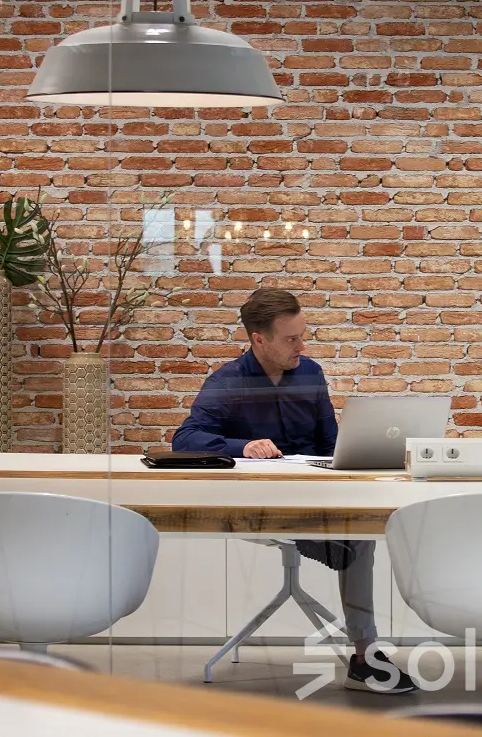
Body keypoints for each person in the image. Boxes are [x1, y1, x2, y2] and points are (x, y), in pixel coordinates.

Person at [172, 288, 416, 695]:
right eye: (291, 339)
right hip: (259, 507)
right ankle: (363, 646)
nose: (301, 346)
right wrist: (243, 447)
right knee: (356, 539)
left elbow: (331, 443)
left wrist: (359, 456)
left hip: (315, 497)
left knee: (361, 532)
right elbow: (185, 439)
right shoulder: (228, 381)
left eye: (303, 335)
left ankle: (364, 656)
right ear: (259, 339)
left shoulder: (310, 374)